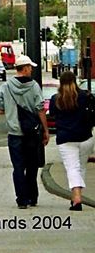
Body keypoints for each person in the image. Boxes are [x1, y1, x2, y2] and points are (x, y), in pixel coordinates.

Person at [0, 55, 49, 209]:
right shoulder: (34, 86)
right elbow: (40, 109)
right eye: (30, 67)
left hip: (14, 133)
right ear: (24, 68)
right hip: (31, 133)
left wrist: (10, 111)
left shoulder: (6, 86)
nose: (31, 69)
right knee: (32, 165)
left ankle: (21, 199)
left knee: (18, 167)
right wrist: (45, 130)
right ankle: (32, 196)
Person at [48, 70, 94, 211]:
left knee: (72, 168)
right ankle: (77, 195)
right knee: (81, 167)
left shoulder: (56, 99)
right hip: (86, 137)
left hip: (66, 138)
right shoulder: (85, 96)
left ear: (61, 83)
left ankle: (77, 198)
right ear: (75, 81)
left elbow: (53, 116)